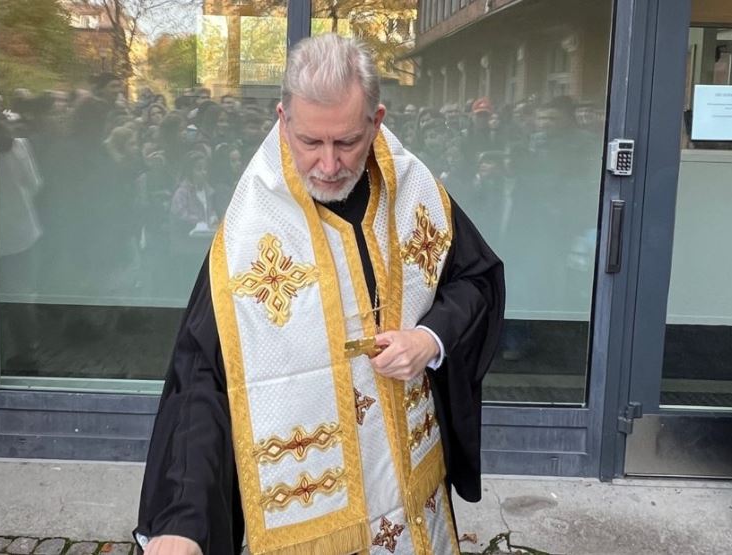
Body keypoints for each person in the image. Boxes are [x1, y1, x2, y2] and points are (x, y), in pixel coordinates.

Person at [136, 34, 504, 555]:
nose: (328, 165)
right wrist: (182, 519)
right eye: (310, 142)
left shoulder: (412, 189)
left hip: (411, 486)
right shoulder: (250, 231)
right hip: (310, 520)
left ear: (376, 121)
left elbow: (476, 279)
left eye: (347, 142)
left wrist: (430, 338)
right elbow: (204, 379)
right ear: (284, 119)